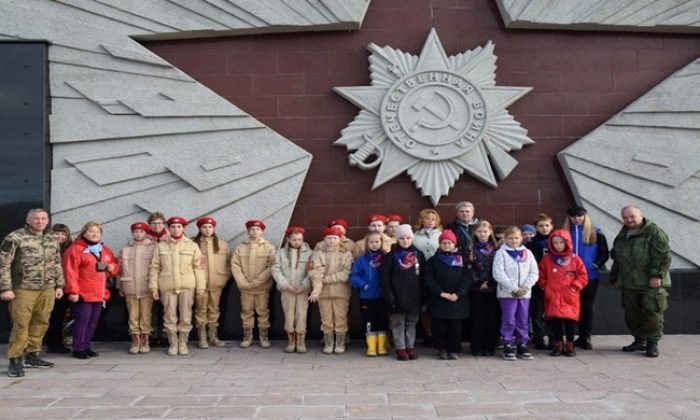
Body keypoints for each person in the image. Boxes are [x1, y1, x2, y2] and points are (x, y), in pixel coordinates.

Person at [0, 209, 65, 377]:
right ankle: (15, 360)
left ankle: (33, 355)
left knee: (42, 321)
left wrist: (59, 285)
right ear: (28, 220)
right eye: (36, 218)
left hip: (47, 288)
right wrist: (5, 288)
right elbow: (3, 265)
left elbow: (57, 263)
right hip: (23, 289)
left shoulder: (51, 238)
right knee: (21, 324)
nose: (40, 221)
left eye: (43, 218)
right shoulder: (15, 237)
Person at [610, 205, 671, 358]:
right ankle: (639, 340)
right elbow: (617, 257)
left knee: (652, 313)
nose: (629, 220)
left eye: (632, 216)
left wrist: (657, 276)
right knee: (632, 314)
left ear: (641, 215)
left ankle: (652, 343)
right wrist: (615, 276)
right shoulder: (623, 233)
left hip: (650, 282)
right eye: (625, 217)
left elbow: (663, 257)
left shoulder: (654, 232)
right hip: (629, 282)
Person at [149, 216, 205, 356]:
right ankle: (173, 344)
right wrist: (154, 287)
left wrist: (200, 288)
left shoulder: (192, 245)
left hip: (187, 286)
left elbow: (199, 268)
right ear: (168, 228)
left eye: (179, 226)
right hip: (167, 286)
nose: (176, 229)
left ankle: (183, 343)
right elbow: (155, 268)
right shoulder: (161, 246)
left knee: (186, 316)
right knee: (169, 316)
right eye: (173, 227)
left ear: (183, 228)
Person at [63, 222, 119, 359]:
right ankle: (78, 348)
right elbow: (70, 272)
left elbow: (115, 265)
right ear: (84, 233)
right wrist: (73, 291)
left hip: (99, 293)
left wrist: (112, 268)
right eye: (91, 231)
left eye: (98, 232)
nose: (95, 234)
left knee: (93, 321)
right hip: (83, 293)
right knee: (83, 320)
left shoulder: (104, 249)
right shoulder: (75, 249)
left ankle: (86, 345)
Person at [563, 206, 609, 350]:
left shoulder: (596, 233)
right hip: (569, 276)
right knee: (572, 306)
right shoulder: (564, 233)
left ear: (584, 216)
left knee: (587, 306)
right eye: (573, 216)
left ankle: (585, 337)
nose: (576, 218)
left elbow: (604, 254)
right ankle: (573, 337)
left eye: (579, 216)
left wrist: (594, 265)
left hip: (590, 276)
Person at [537, 230, 588, 357]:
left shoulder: (575, 259)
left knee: (570, 321)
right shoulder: (547, 259)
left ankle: (569, 344)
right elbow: (540, 274)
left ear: (567, 243)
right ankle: (558, 343)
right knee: (556, 322)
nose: (558, 245)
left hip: (569, 296)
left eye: (561, 242)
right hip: (553, 295)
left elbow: (582, 276)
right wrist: (544, 286)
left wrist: (575, 286)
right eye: (555, 243)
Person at [424, 230, 472, 360]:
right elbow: (429, 278)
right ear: (439, 244)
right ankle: (442, 348)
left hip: (457, 299)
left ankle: (454, 349)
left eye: (449, 243)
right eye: (444, 243)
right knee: (440, 327)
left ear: (454, 244)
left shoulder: (462, 260)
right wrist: (440, 292)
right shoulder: (433, 261)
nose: (446, 245)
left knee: (455, 328)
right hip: (439, 299)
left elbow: (467, 278)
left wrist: (458, 293)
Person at [493, 226, 538, 361]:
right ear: (505, 239)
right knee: (509, 319)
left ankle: (522, 343)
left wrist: (525, 287)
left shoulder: (527, 253)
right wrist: (514, 288)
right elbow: (498, 273)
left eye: (517, 238)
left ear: (521, 238)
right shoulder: (501, 253)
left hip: (524, 293)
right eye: (510, 238)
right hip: (508, 293)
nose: (514, 241)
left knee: (522, 319)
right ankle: (507, 344)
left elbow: (534, 272)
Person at [382, 224, 425, 361]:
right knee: (398, 323)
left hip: (414, 296)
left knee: (411, 323)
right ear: (397, 239)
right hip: (397, 296)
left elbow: (424, 276)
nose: (405, 241)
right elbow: (385, 277)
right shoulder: (391, 256)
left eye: (408, 238)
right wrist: (389, 295)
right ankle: (400, 348)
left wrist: (423, 295)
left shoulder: (419, 255)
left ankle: (410, 347)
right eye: (401, 238)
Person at [231, 220, 277, 349]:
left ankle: (264, 337)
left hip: (262, 288)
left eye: (257, 229)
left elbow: (272, 266)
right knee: (246, 311)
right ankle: (247, 337)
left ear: (262, 231)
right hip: (245, 288)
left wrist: (257, 282)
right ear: (248, 231)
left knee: (263, 311)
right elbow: (235, 265)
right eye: (252, 229)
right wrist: (242, 282)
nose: (254, 232)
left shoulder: (269, 247)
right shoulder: (241, 247)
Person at [309, 226, 353, 354]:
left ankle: (340, 343)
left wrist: (326, 279)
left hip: (341, 292)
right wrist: (316, 290)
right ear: (324, 239)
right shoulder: (317, 254)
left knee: (341, 318)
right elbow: (315, 273)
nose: (332, 241)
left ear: (339, 239)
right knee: (326, 319)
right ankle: (329, 342)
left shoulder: (346, 254)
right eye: (329, 238)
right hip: (323, 293)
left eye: (335, 238)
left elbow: (346, 274)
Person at [272, 226, 312, 353]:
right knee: (289, 315)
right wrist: (285, 284)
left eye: (300, 239)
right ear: (288, 239)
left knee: (301, 314)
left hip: (302, 290)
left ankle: (300, 340)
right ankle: (291, 340)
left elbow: (312, 272)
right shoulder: (280, 253)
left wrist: (304, 285)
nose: (297, 242)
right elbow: (275, 270)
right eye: (294, 240)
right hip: (287, 290)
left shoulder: (310, 253)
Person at [192, 217, 231, 349]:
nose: (207, 230)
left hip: (217, 283)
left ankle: (213, 336)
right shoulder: (193, 243)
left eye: (210, 227)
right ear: (199, 229)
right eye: (204, 227)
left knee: (214, 309)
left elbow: (228, 264)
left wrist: (223, 278)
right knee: (200, 309)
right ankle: (202, 338)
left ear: (214, 228)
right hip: (200, 284)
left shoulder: (223, 244)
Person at [118, 221, 157, 354]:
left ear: (146, 233)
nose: (139, 234)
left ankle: (145, 340)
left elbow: (156, 268)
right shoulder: (126, 249)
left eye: (141, 232)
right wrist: (120, 286)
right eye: (136, 231)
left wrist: (155, 286)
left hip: (146, 287)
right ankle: (135, 340)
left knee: (146, 314)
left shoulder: (153, 248)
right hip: (130, 286)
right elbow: (120, 269)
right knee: (133, 315)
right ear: (132, 233)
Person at [349, 231, 388, 357]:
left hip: (383, 296)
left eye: (377, 241)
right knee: (369, 321)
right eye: (371, 242)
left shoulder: (386, 258)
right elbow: (354, 276)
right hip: (367, 297)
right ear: (367, 243)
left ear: (381, 242)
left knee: (382, 320)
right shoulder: (362, 260)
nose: (374, 244)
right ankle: (371, 347)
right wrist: (363, 284)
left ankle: (381, 346)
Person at [469, 220, 500, 356]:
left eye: (485, 231)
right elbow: (467, 267)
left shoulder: (497, 248)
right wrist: (477, 282)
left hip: (493, 287)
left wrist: (492, 282)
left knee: (491, 318)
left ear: (490, 232)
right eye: (479, 231)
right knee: (477, 318)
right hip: (476, 288)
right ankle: (477, 346)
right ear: (475, 233)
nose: (482, 234)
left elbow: (500, 266)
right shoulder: (470, 248)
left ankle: (489, 346)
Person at [412, 208, 442, 346]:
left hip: (438, 274)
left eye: (433, 219)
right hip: (421, 273)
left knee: (437, 304)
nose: (430, 221)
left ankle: (438, 333)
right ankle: (428, 333)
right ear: (421, 220)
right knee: (424, 306)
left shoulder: (441, 235)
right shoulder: (414, 236)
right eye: (427, 218)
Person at [525, 213, 554, 350]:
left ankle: (554, 339)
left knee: (552, 312)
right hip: (536, 282)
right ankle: (539, 339)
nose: (544, 228)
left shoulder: (557, 241)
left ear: (552, 226)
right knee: (537, 312)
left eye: (547, 225)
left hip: (554, 283)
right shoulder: (531, 244)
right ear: (536, 227)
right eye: (541, 226)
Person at [45, 223, 73, 354]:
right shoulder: (45, 248)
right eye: (56, 233)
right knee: (49, 317)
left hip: (64, 288)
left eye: (63, 234)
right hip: (48, 287)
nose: (60, 236)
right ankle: (51, 342)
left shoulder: (69, 249)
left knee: (59, 317)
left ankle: (56, 343)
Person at [146, 211, 169, 347]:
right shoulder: (145, 239)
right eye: (153, 223)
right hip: (150, 277)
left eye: (160, 223)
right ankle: (153, 335)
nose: (156, 226)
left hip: (167, 277)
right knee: (152, 308)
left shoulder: (171, 237)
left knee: (167, 308)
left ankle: (166, 334)